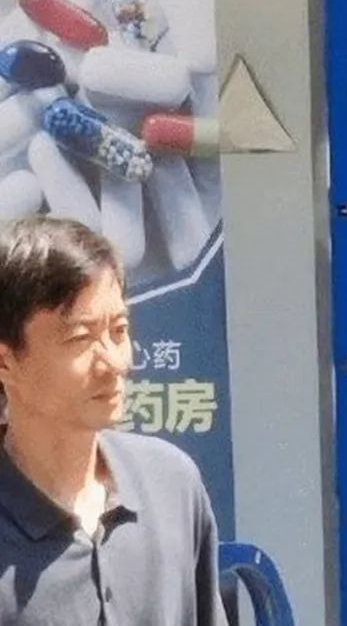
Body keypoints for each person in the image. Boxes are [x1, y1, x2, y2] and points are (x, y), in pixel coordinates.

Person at [0, 216, 226, 625]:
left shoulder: (171, 484)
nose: (115, 363)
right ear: (6, 361)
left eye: (119, 331)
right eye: (80, 338)